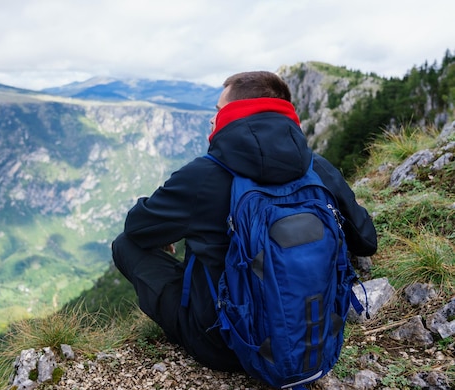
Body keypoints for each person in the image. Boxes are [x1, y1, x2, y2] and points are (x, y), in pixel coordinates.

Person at [111, 71, 378, 372]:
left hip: (224, 346)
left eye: (218, 111)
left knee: (124, 245)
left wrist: (169, 229)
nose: (212, 120)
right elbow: (367, 241)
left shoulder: (203, 175)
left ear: (237, 114)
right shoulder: (317, 168)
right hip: (313, 339)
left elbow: (136, 227)